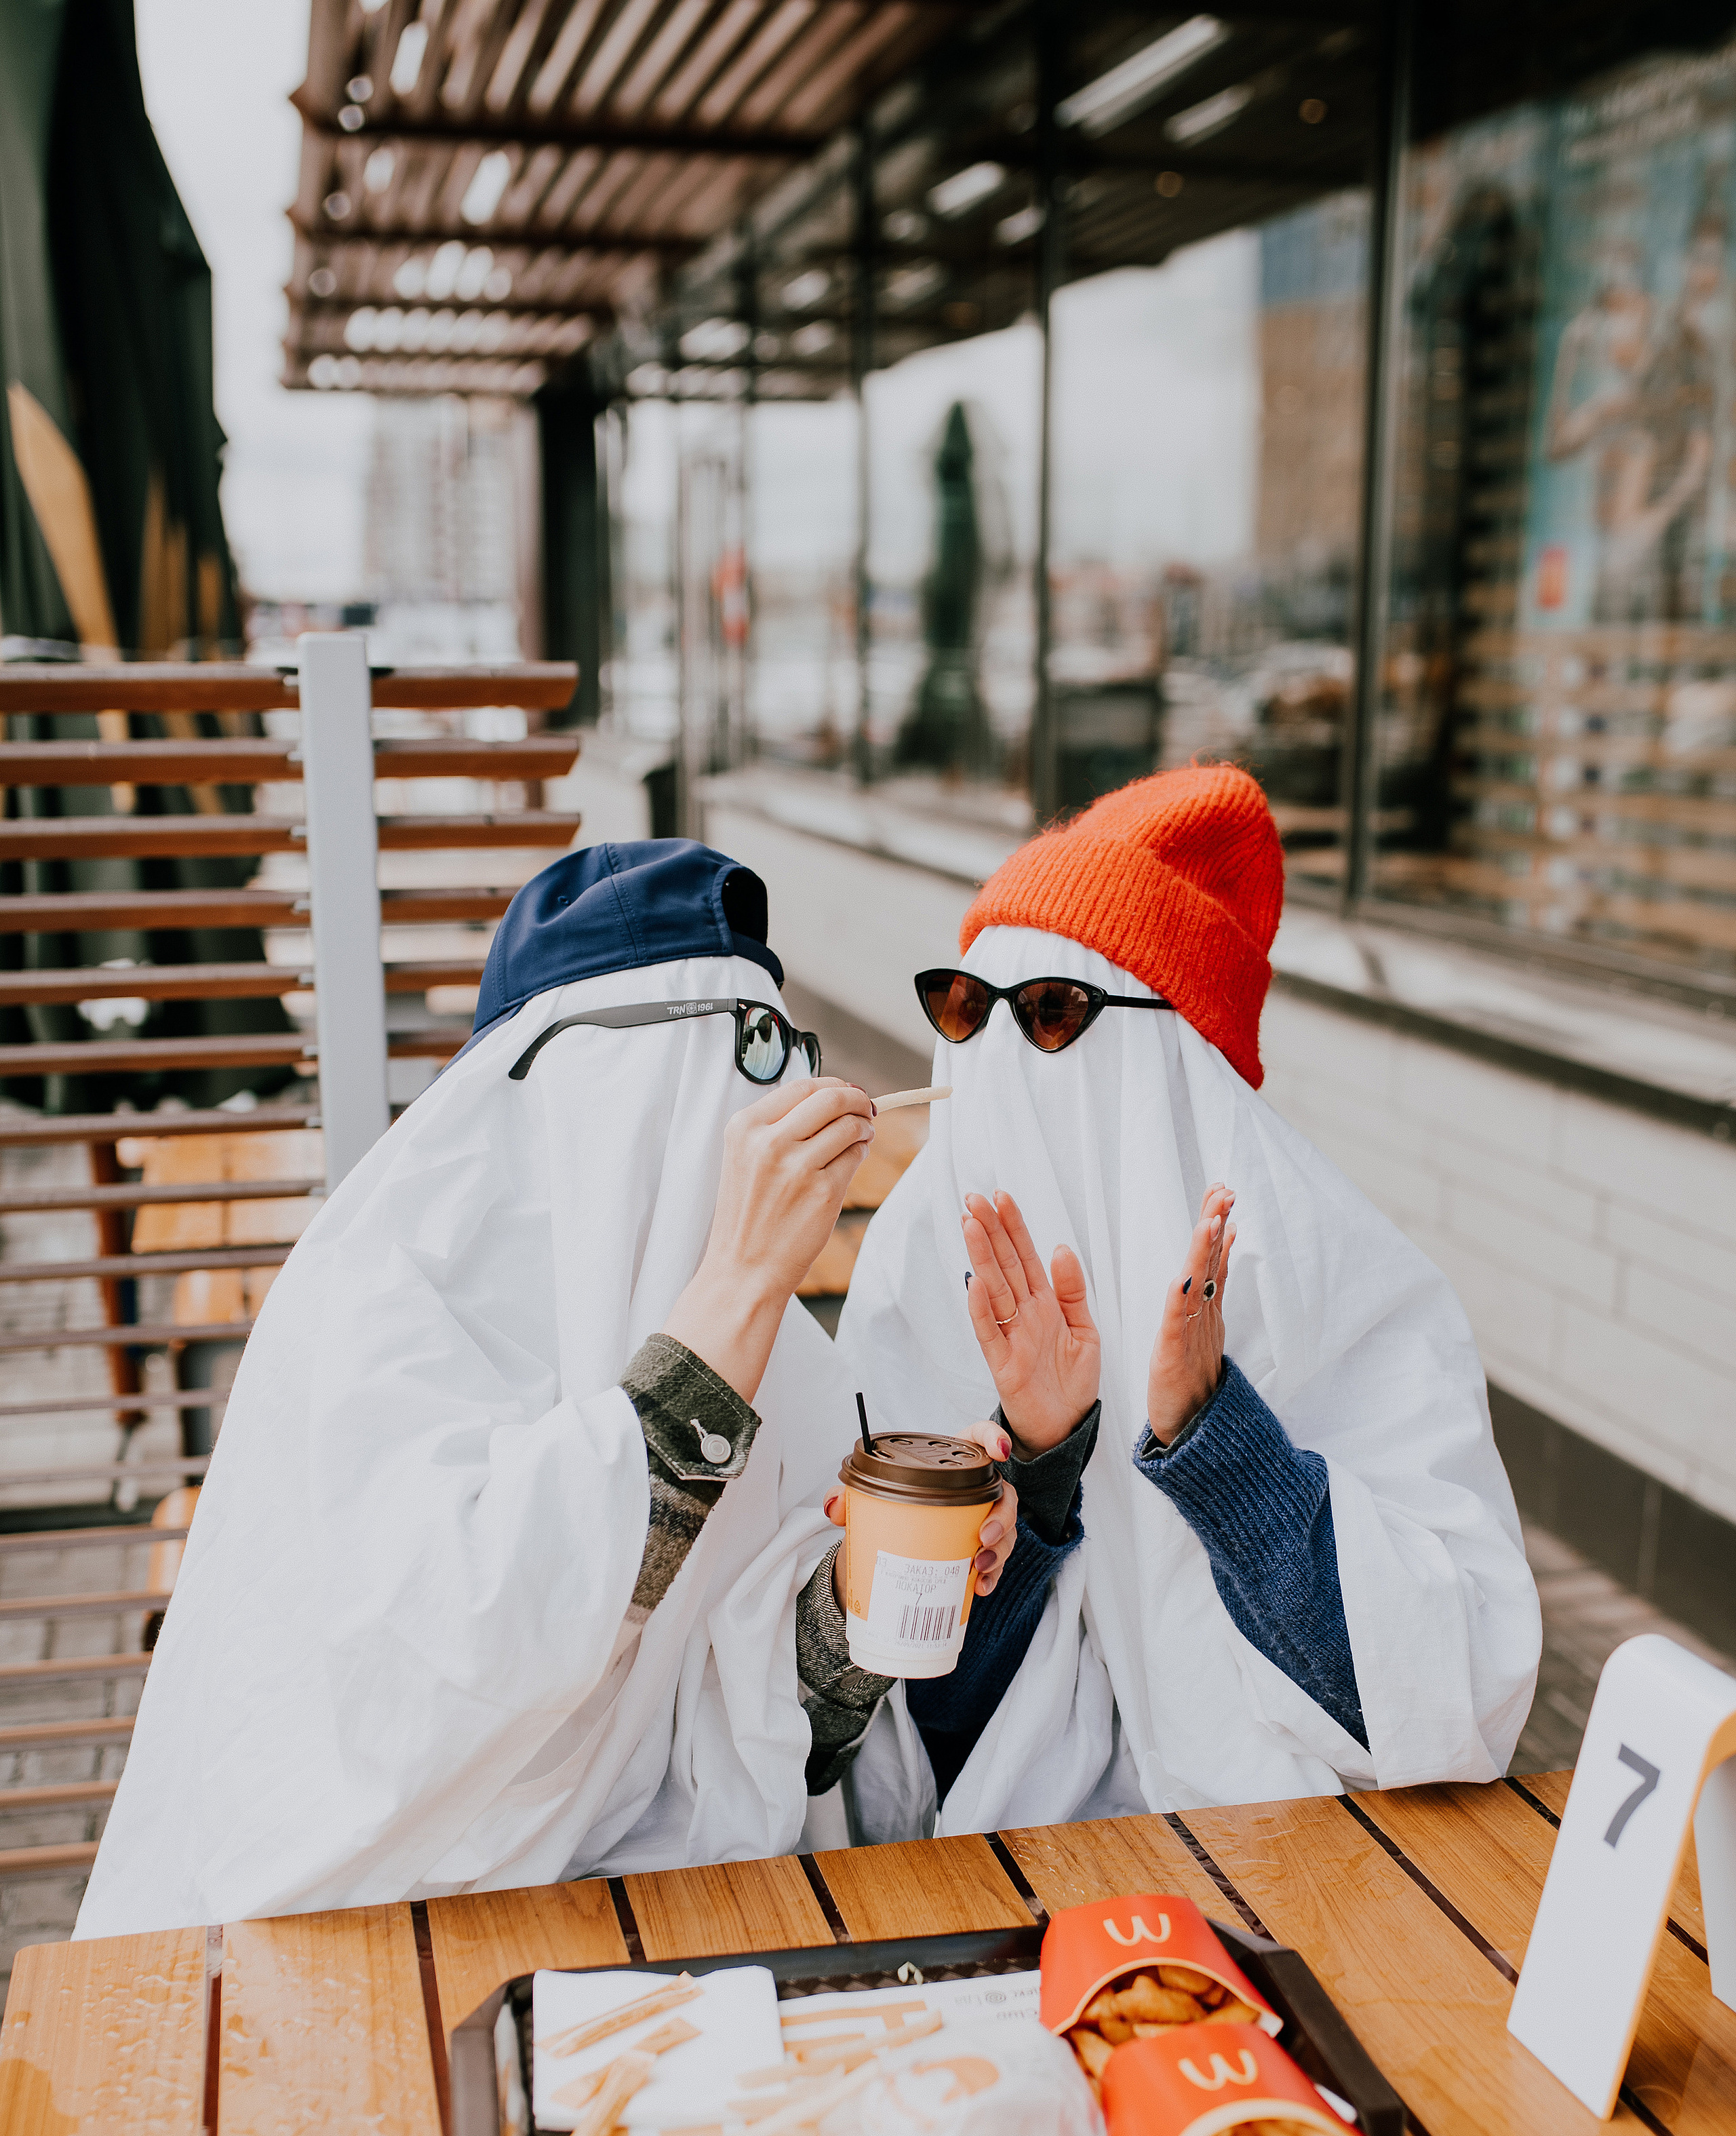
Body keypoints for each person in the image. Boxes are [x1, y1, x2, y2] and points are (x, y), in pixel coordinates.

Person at [74, 839, 1014, 1932]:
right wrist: (739, 1286)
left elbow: (777, 1739)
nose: (775, 1101)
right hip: (376, 1928)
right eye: (746, 1057)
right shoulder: (380, 1299)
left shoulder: (779, 1352)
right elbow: (451, 1683)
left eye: (779, 1049)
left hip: (664, 1909)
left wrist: (868, 1599)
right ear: (597, 1096)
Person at [827, 764, 1541, 1839]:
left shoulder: (1333, 1283)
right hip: (1016, 1870)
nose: (1001, 1069)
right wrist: (1040, 1459)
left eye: (1055, 1014)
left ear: (1166, 1054)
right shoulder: (924, 1261)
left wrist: (1214, 1439)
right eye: (967, 1008)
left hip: (1302, 1869)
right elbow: (910, 1747)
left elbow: (1456, 1708)